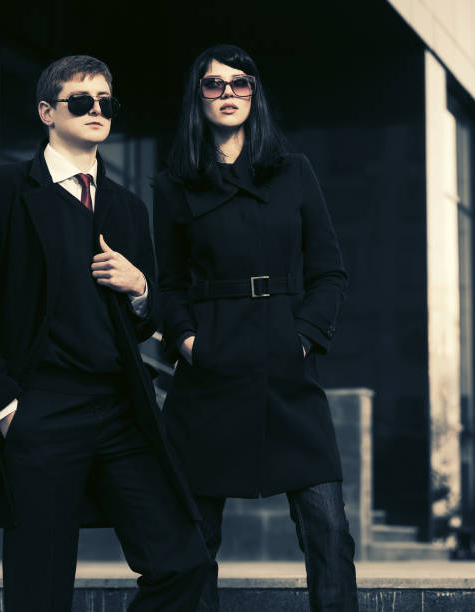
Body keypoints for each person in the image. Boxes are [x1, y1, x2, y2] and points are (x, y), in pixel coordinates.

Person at [0, 54, 209, 612]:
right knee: (40, 590)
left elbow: (148, 322)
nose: (97, 110)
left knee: (184, 562)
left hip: (119, 410)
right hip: (41, 412)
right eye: (82, 101)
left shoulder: (128, 207)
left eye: (106, 102)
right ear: (46, 112)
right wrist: (7, 409)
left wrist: (141, 289)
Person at [153, 44, 358, 611]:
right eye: (214, 85)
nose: (228, 95)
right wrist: (191, 344)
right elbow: (168, 285)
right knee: (195, 538)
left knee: (328, 530)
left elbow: (330, 271)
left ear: (255, 94)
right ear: (198, 97)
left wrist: (301, 337)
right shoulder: (173, 185)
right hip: (210, 368)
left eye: (240, 84)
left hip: (286, 365)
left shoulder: (294, 171)